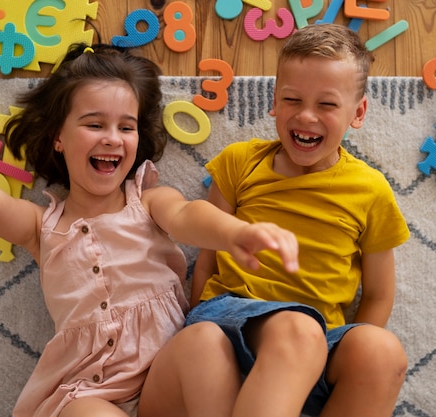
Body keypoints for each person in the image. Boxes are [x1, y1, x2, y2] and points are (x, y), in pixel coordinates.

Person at [0, 44, 300, 417]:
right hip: (87, 390)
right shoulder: (42, 226)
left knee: (206, 339)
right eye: (95, 124)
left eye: (125, 127)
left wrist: (235, 234)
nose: (112, 138)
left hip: (165, 380)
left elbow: (190, 218)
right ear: (59, 137)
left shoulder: (148, 200)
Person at [138, 23, 410, 417]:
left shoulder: (371, 190)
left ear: (359, 112)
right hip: (232, 319)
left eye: (327, 104)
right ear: (274, 102)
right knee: (297, 329)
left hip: (321, 342)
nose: (306, 116)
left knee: (381, 351)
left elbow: (378, 294)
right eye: (292, 99)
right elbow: (209, 255)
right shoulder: (241, 162)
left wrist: (350, 350)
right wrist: (198, 318)